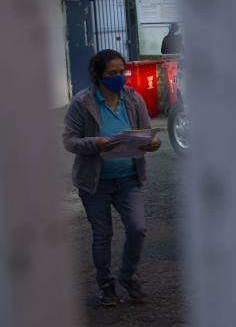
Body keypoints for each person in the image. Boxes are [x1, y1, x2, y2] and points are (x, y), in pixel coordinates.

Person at [63, 49, 161, 306]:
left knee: (137, 228)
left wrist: (153, 143)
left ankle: (128, 275)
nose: (119, 78)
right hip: (95, 182)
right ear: (98, 75)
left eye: (121, 72)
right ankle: (105, 284)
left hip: (129, 178)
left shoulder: (133, 99)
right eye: (112, 73)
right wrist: (96, 143)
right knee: (102, 234)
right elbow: (69, 141)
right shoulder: (82, 103)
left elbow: (148, 133)